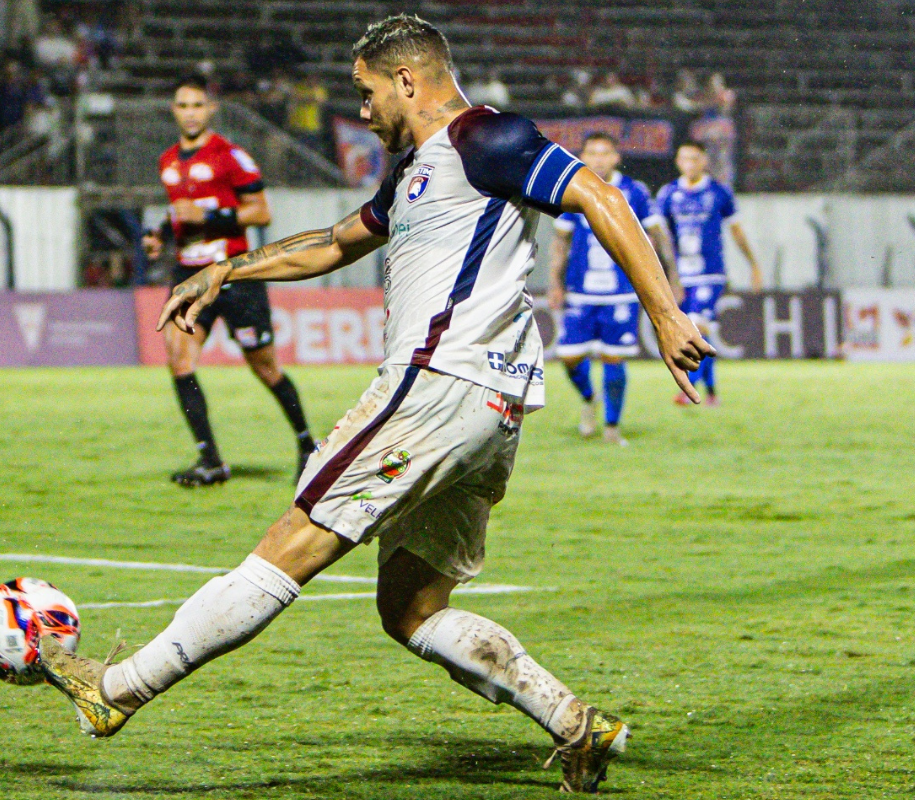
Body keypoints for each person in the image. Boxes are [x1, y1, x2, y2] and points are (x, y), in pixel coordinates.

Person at [36, 15, 711, 794]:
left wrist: (663, 312)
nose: (360, 112)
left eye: (364, 93)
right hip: (488, 408)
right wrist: (227, 269)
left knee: (291, 542)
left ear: (406, 81)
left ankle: (114, 692)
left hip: (435, 385)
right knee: (412, 609)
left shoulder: (486, 136)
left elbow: (597, 195)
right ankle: (573, 725)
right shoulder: (420, 167)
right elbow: (334, 241)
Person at [142, 75, 315, 487]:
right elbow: (180, 212)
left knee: (265, 367)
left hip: (234, 272)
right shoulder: (168, 160)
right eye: (182, 105)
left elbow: (260, 213)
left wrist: (212, 218)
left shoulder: (231, 156)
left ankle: (309, 446)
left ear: (211, 109)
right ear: (174, 110)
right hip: (190, 274)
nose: (190, 113)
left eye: (197, 105)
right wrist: (161, 237)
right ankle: (211, 461)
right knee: (179, 361)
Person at [548, 133, 681, 445]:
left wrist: (670, 278)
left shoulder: (633, 191)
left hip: (620, 291)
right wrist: (555, 283)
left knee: (613, 358)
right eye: (592, 153)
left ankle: (611, 427)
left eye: (604, 153)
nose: (598, 159)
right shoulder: (573, 188)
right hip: (581, 289)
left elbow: (657, 236)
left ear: (615, 157)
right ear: (583, 156)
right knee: (569, 357)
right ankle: (589, 397)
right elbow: (560, 241)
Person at [657, 141, 762, 406]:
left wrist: (753, 265)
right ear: (678, 162)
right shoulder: (668, 194)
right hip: (682, 275)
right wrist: (668, 274)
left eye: (695, 159)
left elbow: (736, 232)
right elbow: (662, 238)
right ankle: (712, 391)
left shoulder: (719, 193)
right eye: (684, 159)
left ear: (704, 161)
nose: (690, 164)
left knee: (697, 327)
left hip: (710, 273)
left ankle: (689, 389)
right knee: (699, 334)